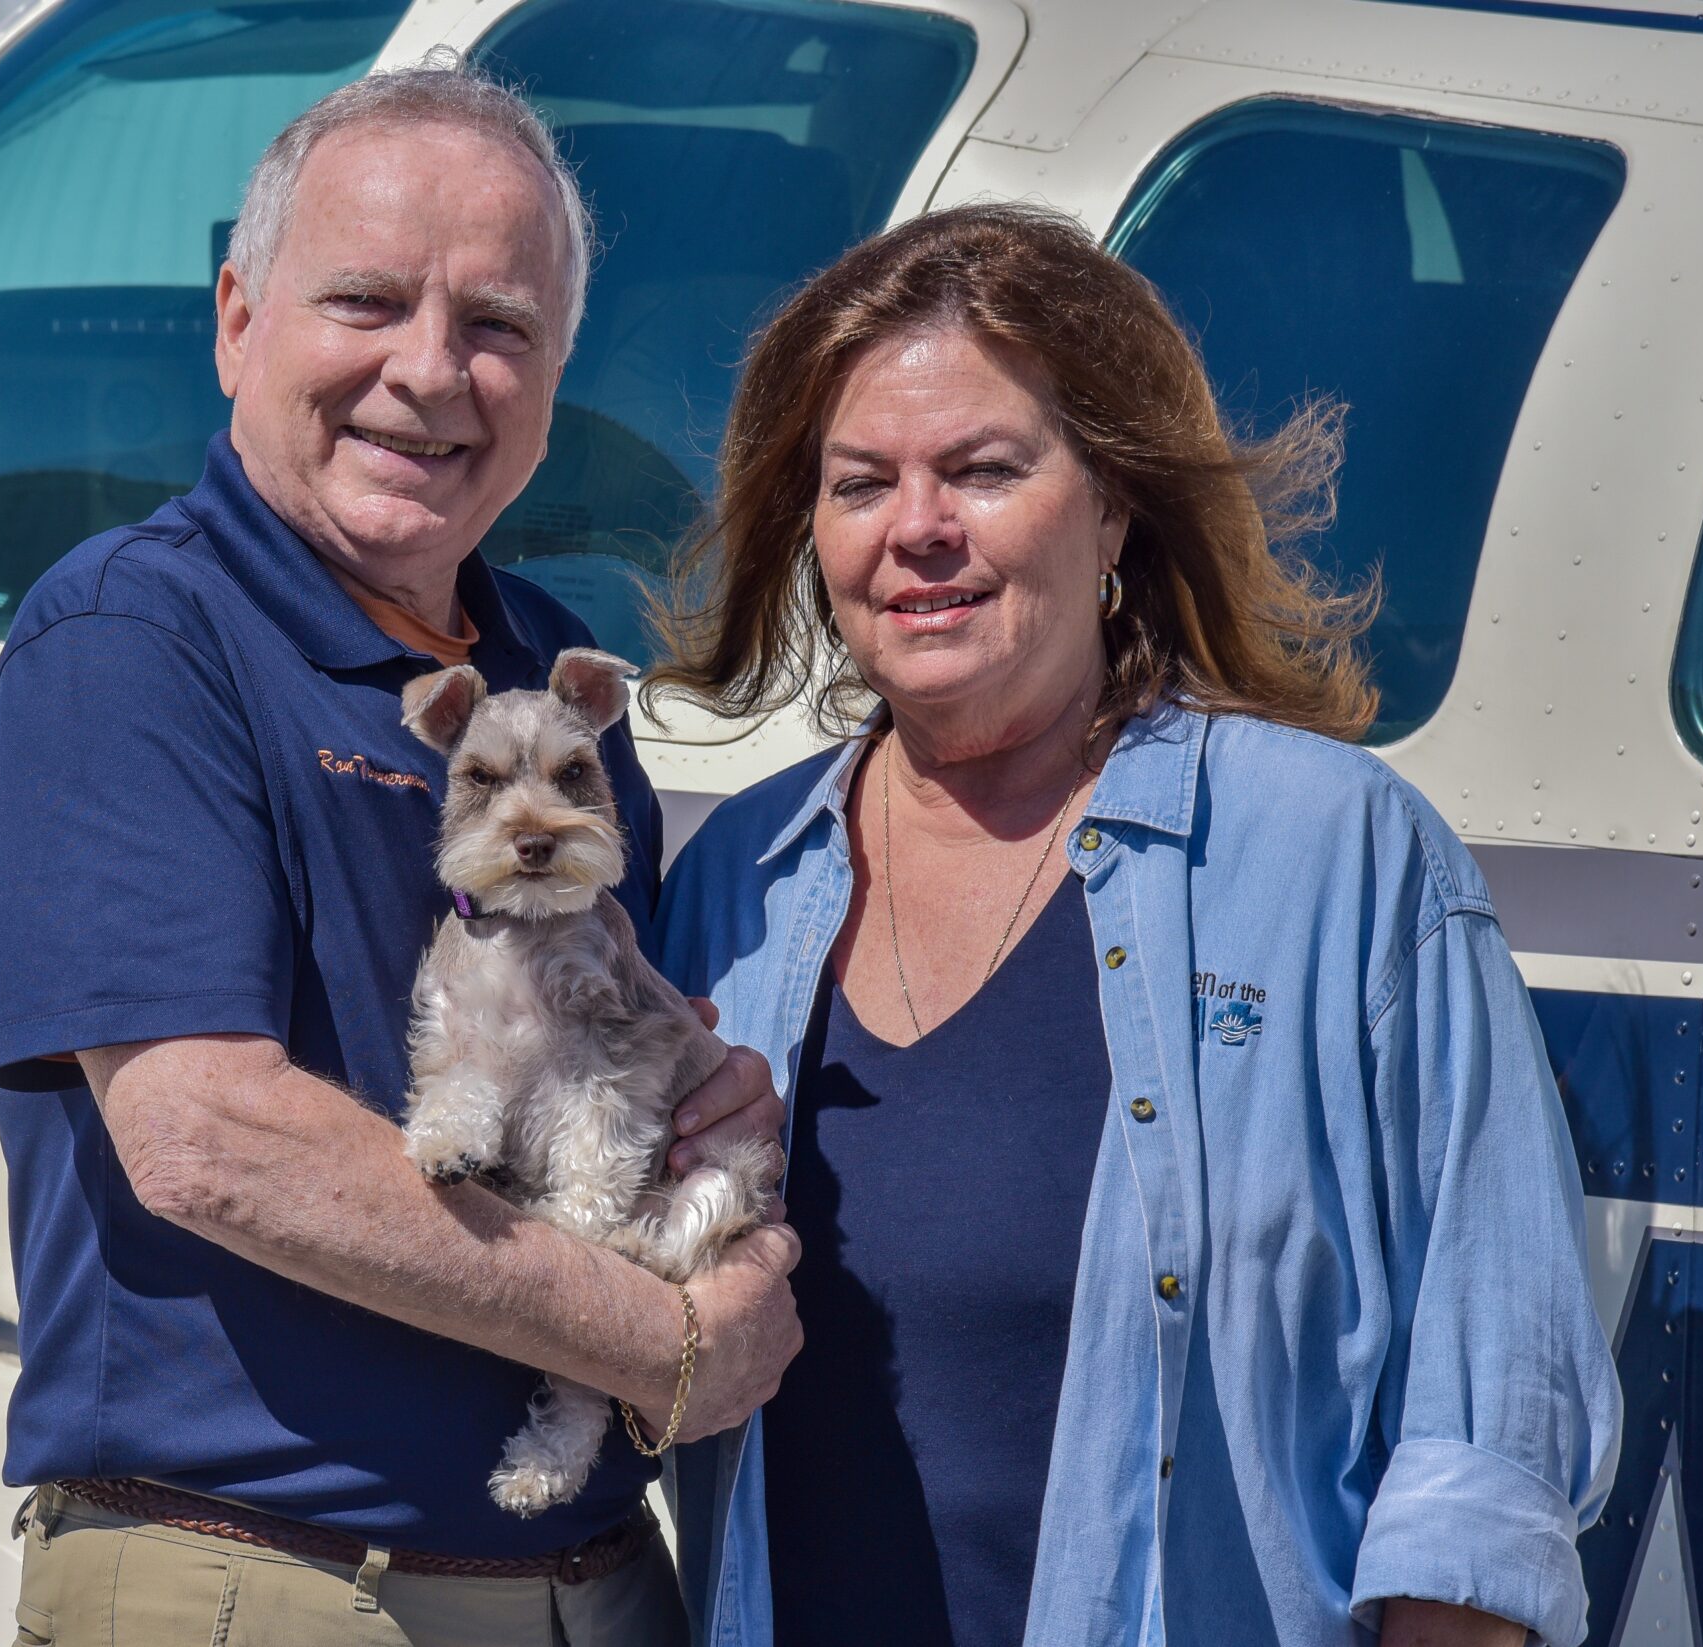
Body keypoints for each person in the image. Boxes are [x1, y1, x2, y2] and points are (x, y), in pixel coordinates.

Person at [648, 203, 1619, 1647]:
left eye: (983, 470)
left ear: (1113, 505)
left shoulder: (1336, 853)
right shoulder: (736, 881)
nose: (919, 529)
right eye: (862, 484)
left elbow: (1485, 1425)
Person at [0, 62, 798, 1647]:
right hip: (267, 1578)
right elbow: (207, 1137)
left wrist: (709, 1112)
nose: (431, 373)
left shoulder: (552, 671)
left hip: (592, 1583)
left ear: (551, 379)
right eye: (364, 302)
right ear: (235, 323)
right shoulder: (134, 641)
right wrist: (662, 1337)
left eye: (498, 327)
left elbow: (610, 1033)